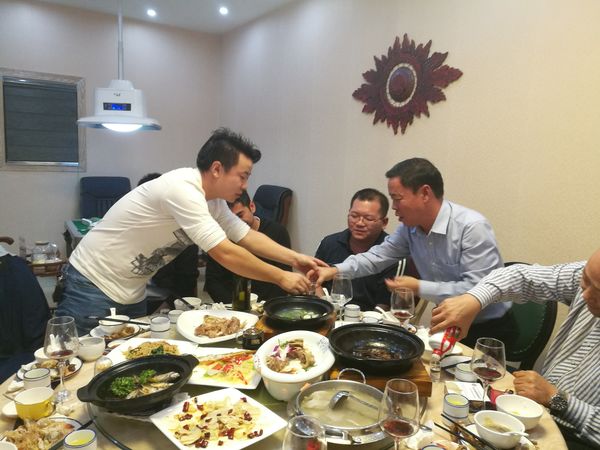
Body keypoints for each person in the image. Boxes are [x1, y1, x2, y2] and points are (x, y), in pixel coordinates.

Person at [57, 128, 324, 334]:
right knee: (80, 364)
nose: (245, 185)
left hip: (131, 289)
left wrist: (296, 258)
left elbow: (246, 236)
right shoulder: (182, 189)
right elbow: (224, 253)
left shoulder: (215, 202)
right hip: (92, 283)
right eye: (243, 176)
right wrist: (281, 277)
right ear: (217, 169)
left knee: (125, 359)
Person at [313, 158, 515, 348]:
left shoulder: (471, 227)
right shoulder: (410, 228)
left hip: (488, 327)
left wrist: (418, 286)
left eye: (397, 199)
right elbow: (377, 257)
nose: (394, 207)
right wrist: (335, 270)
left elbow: (478, 289)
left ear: (425, 193)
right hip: (447, 319)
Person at [430, 251, 600, 449]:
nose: (584, 294)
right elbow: (520, 276)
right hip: (536, 412)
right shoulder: (591, 277)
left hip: (577, 439)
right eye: (585, 279)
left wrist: (558, 399)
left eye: (597, 291)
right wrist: (473, 300)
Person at [314, 188, 398, 311]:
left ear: (384, 222)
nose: (359, 223)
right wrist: (326, 307)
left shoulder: (392, 253)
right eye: (354, 216)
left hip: (369, 318)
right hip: (330, 311)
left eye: (368, 218)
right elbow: (315, 283)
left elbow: (384, 306)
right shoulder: (330, 243)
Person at [204, 190, 291, 302]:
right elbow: (213, 281)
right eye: (229, 219)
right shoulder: (220, 235)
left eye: (240, 215)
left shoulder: (277, 231)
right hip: (232, 302)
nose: (236, 223)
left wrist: (267, 306)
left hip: (266, 302)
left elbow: (285, 277)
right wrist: (233, 305)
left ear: (252, 207)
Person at [137, 173, 200, 313]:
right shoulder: (130, 228)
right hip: (128, 298)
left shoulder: (183, 235)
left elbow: (186, 281)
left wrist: (164, 309)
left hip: (163, 302)